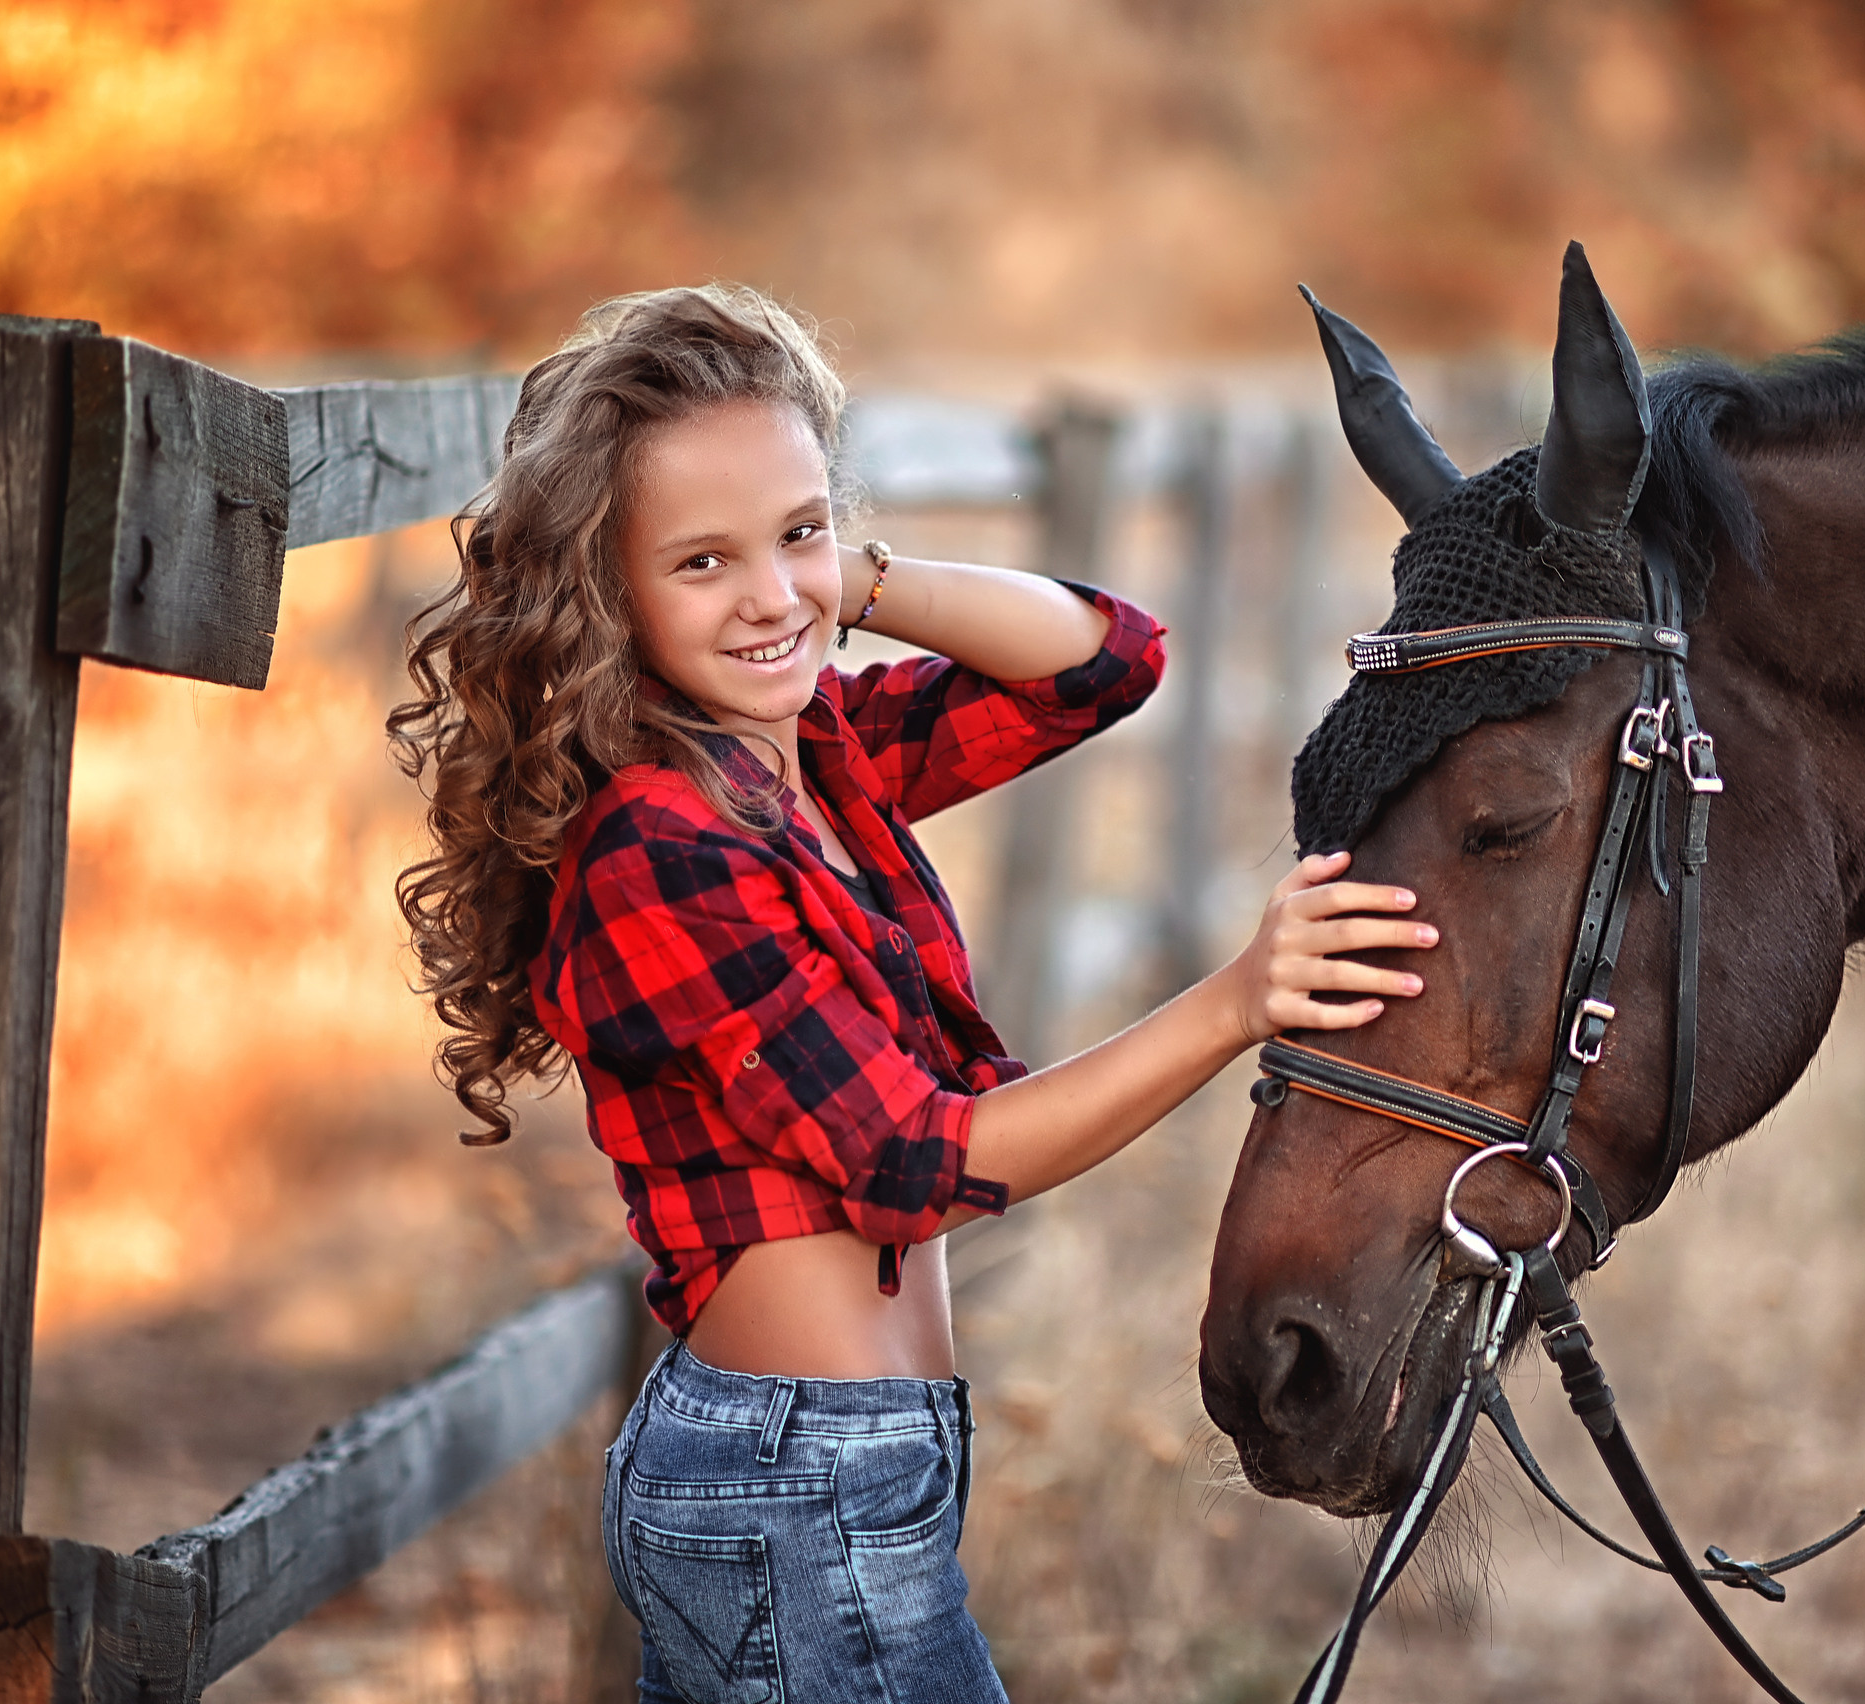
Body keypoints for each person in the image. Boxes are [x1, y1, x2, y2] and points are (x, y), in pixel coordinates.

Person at [387, 283, 1437, 1703]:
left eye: (798, 529)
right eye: (701, 563)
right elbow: (912, 1163)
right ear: (605, 590)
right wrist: (1238, 1001)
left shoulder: (817, 755)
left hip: (835, 1467)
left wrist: (843, 580)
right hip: (792, 1488)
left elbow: (1107, 659)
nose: (766, 595)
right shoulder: (659, 850)